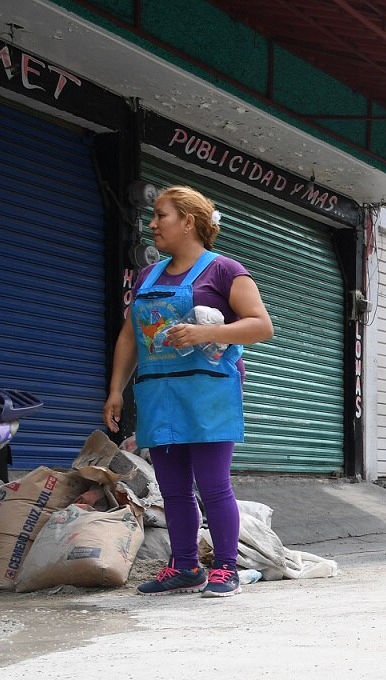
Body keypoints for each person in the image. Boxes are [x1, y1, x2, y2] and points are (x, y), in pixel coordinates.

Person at [104, 185, 273, 597]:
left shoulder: (225, 271)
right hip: (158, 394)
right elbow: (130, 335)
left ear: (188, 221)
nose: (152, 224)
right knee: (173, 488)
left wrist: (206, 332)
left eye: (161, 215)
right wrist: (115, 391)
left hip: (208, 395)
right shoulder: (149, 275)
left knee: (213, 485)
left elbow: (261, 325)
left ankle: (226, 569)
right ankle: (184, 566)